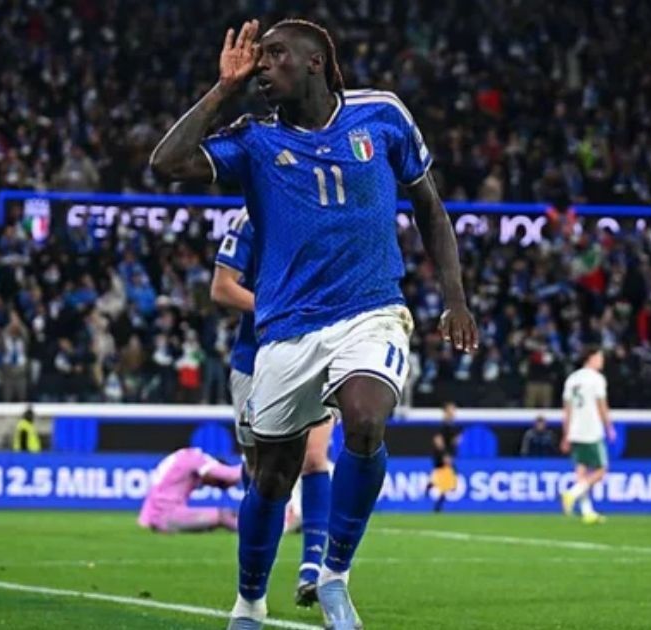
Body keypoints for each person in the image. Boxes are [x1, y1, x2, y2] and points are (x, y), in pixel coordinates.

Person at [150, 18, 477, 630]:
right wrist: (224, 89)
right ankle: (249, 602)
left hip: (370, 311)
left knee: (366, 420)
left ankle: (334, 575)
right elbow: (167, 163)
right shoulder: (254, 140)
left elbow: (430, 206)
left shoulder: (382, 115)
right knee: (272, 479)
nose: (262, 67)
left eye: (274, 55)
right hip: (285, 332)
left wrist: (455, 298)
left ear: (315, 62)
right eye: (258, 59)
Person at [210, 208, 334, 607]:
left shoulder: (326, 213)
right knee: (260, 473)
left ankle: (312, 571)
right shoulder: (251, 218)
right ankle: (252, 583)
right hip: (256, 360)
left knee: (314, 458)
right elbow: (222, 288)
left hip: (315, 353)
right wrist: (280, 307)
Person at [559, 347, 616, 525]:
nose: (602, 360)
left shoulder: (572, 379)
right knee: (601, 470)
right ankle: (572, 493)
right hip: (591, 430)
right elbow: (601, 405)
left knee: (581, 471)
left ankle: (587, 512)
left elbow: (567, 410)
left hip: (575, 430)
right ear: (590, 358)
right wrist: (609, 427)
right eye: (599, 357)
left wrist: (566, 434)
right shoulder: (597, 379)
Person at [137, 447, 240, 533]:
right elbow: (232, 475)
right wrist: (249, 462)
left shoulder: (183, 456)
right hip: (167, 517)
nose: (211, 486)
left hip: (153, 517)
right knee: (223, 516)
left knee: (227, 514)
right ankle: (249, 533)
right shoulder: (197, 458)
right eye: (218, 484)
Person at [427, 402, 461, 513]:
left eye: (454, 410)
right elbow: (438, 441)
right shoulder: (442, 426)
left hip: (447, 456)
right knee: (450, 478)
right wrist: (445, 455)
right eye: (451, 410)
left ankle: (431, 486)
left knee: (448, 480)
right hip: (442, 456)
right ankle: (431, 488)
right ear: (446, 412)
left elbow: (454, 441)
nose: (453, 412)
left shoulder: (453, 426)